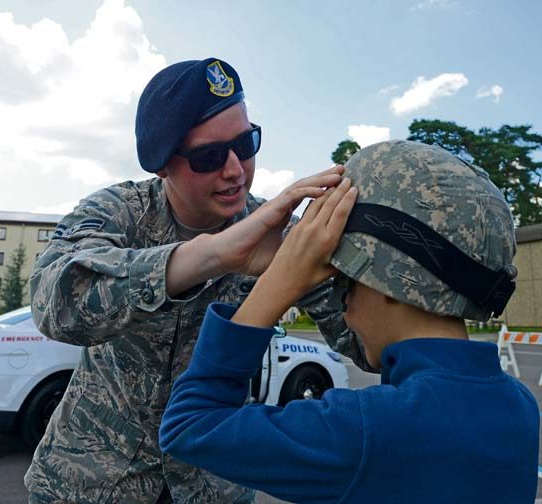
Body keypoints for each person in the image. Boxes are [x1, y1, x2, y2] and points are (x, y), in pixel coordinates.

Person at [25, 58, 370, 504]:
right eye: (208, 156)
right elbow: (55, 303)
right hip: (91, 482)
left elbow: (366, 344)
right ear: (161, 163)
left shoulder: (279, 231)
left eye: (245, 144)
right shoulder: (121, 211)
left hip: (212, 486)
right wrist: (215, 254)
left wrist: (359, 256)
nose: (234, 169)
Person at [159, 140, 540, 503]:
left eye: (345, 284)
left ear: (392, 282)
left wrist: (279, 281)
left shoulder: (368, 430)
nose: (344, 309)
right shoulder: (519, 406)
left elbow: (188, 424)